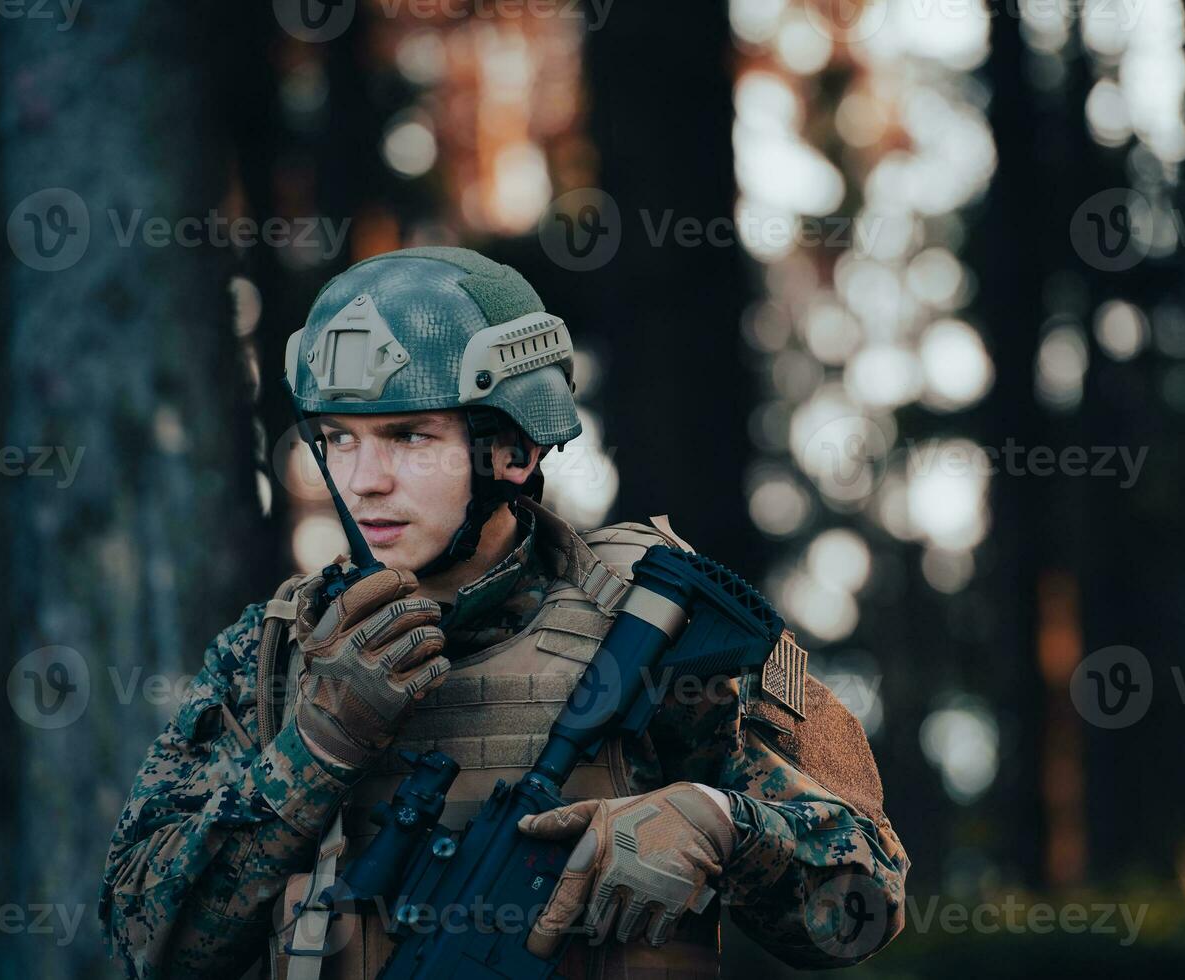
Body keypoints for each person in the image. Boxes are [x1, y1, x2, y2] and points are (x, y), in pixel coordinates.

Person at [99, 247, 909, 979]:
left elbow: (862, 908)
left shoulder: (669, 627)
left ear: (514, 452)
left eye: (409, 437)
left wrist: (725, 825)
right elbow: (148, 946)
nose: (364, 479)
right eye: (338, 438)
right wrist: (316, 748)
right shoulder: (270, 657)